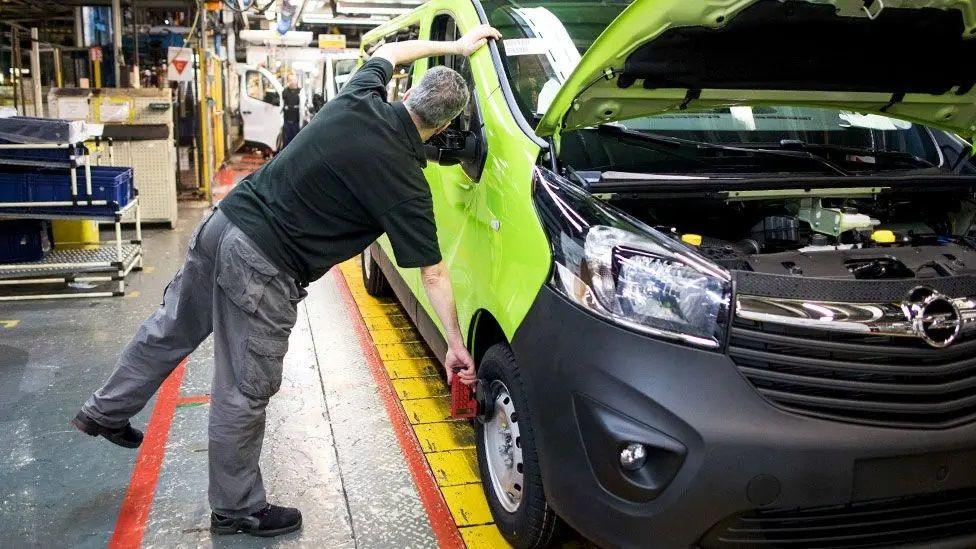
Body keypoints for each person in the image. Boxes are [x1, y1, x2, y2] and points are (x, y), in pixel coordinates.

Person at [71, 24, 502, 538]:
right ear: (446, 125)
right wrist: (455, 343)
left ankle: (104, 410)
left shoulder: (359, 97)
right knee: (243, 388)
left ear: (406, 92)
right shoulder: (406, 183)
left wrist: (455, 47)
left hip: (223, 224)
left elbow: (388, 50)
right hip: (261, 265)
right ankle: (235, 510)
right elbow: (431, 271)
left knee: (170, 329)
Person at [281, 74, 301, 148]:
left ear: (297, 81)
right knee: (287, 142)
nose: (292, 82)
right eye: (290, 80)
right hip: (287, 121)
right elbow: (281, 104)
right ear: (288, 81)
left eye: (294, 80)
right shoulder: (284, 92)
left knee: (296, 141)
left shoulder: (300, 92)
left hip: (297, 122)